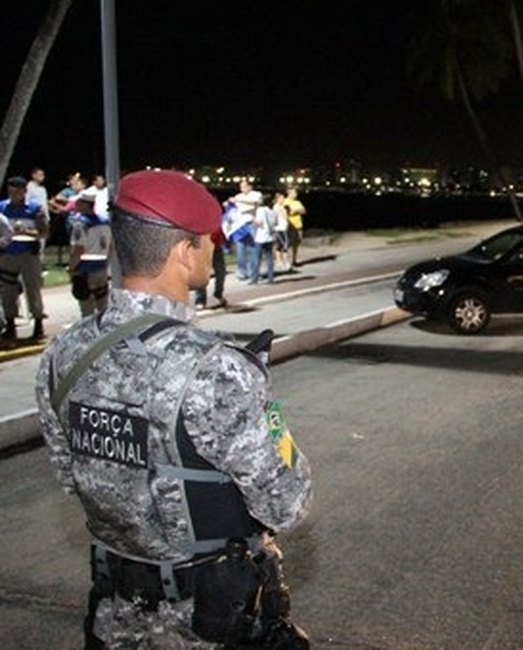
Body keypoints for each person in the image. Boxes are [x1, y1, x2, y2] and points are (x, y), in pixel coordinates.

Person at [35, 170, 312, 648]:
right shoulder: (219, 370)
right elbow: (288, 502)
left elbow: (71, 475)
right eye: (209, 242)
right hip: (211, 622)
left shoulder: (64, 352)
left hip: (117, 616)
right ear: (185, 252)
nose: (214, 250)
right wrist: (268, 413)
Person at [1, 176, 49, 344]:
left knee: (33, 289)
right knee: (7, 291)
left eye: (17, 192)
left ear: (24, 192)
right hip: (7, 254)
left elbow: (44, 232)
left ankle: (38, 325)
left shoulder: (34, 209)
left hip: (29, 254)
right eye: (11, 192)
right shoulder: (2, 208)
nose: (14, 195)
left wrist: (25, 232)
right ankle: (10, 326)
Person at [68, 187, 112, 316]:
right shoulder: (105, 221)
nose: (76, 205)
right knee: (102, 305)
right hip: (101, 267)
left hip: (85, 270)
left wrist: (72, 268)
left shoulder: (80, 223)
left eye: (79, 202)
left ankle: (90, 334)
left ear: (85, 205)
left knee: (87, 308)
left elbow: (79, 249)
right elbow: (110, 246)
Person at [227, 180, 262, 280]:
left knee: (253, 250)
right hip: (240, 226)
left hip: (252, 224)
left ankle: (253, 272)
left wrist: (238, 201)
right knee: (240, 250)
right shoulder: (238, 196)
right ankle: (242, 272)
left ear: (250, 186)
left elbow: (255, 204)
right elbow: (235, 209)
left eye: (245, 186)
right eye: (241, 187)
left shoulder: (256, 194)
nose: (243, 189)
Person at [193, 227, 228, 310]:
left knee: (221, 271)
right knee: (201, 274)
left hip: (215, 245)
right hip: (200, 246)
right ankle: (200, 300)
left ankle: (218, 294)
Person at [251, 197, 276, 284]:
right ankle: (271, 278)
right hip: (270, 237)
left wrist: (253, 219)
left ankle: (254, 278)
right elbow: (275, 223)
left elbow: (259, 223)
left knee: (257, 258)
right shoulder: (272, 211)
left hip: (260, 237)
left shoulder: (260, 210)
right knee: (269, 258)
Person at [282, 188, 306, 267]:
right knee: (288, 243)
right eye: (294, 193)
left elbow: (304, 211)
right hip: (290, 225)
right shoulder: (285, 202)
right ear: (289, 193)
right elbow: (289, 212)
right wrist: (297, 210)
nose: (296, 194)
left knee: (297, 243)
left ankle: (294, 260)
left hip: (298, 225)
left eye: (296, 193)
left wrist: (297, 210)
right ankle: (286, 261)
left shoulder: (297, 202)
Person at [272, 192, 291, 273]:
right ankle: (283, 262)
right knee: (284, 245)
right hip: (280, 229)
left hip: (283, 228)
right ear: (278, 199)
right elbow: (277, 217)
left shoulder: (282, 207)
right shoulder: (276, 207)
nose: (283, 199)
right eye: (282, 198)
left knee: (281, 246)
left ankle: (281, 262)